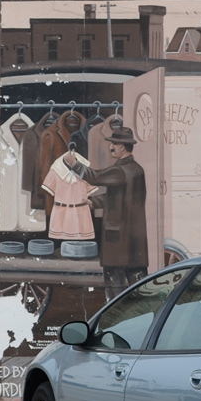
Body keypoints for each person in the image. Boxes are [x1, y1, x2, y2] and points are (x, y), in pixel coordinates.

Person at [65, 125, 148, 299]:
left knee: (114, 289)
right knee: (141, 288)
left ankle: (115, 319)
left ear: (122, 146)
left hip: (117, 240)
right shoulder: (138, 169)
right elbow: (123, 197)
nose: (111, 147)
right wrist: (92, 202)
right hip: (135, 241)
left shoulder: (120, 170)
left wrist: (74, 165)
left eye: (114, 144)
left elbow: (94, 176)